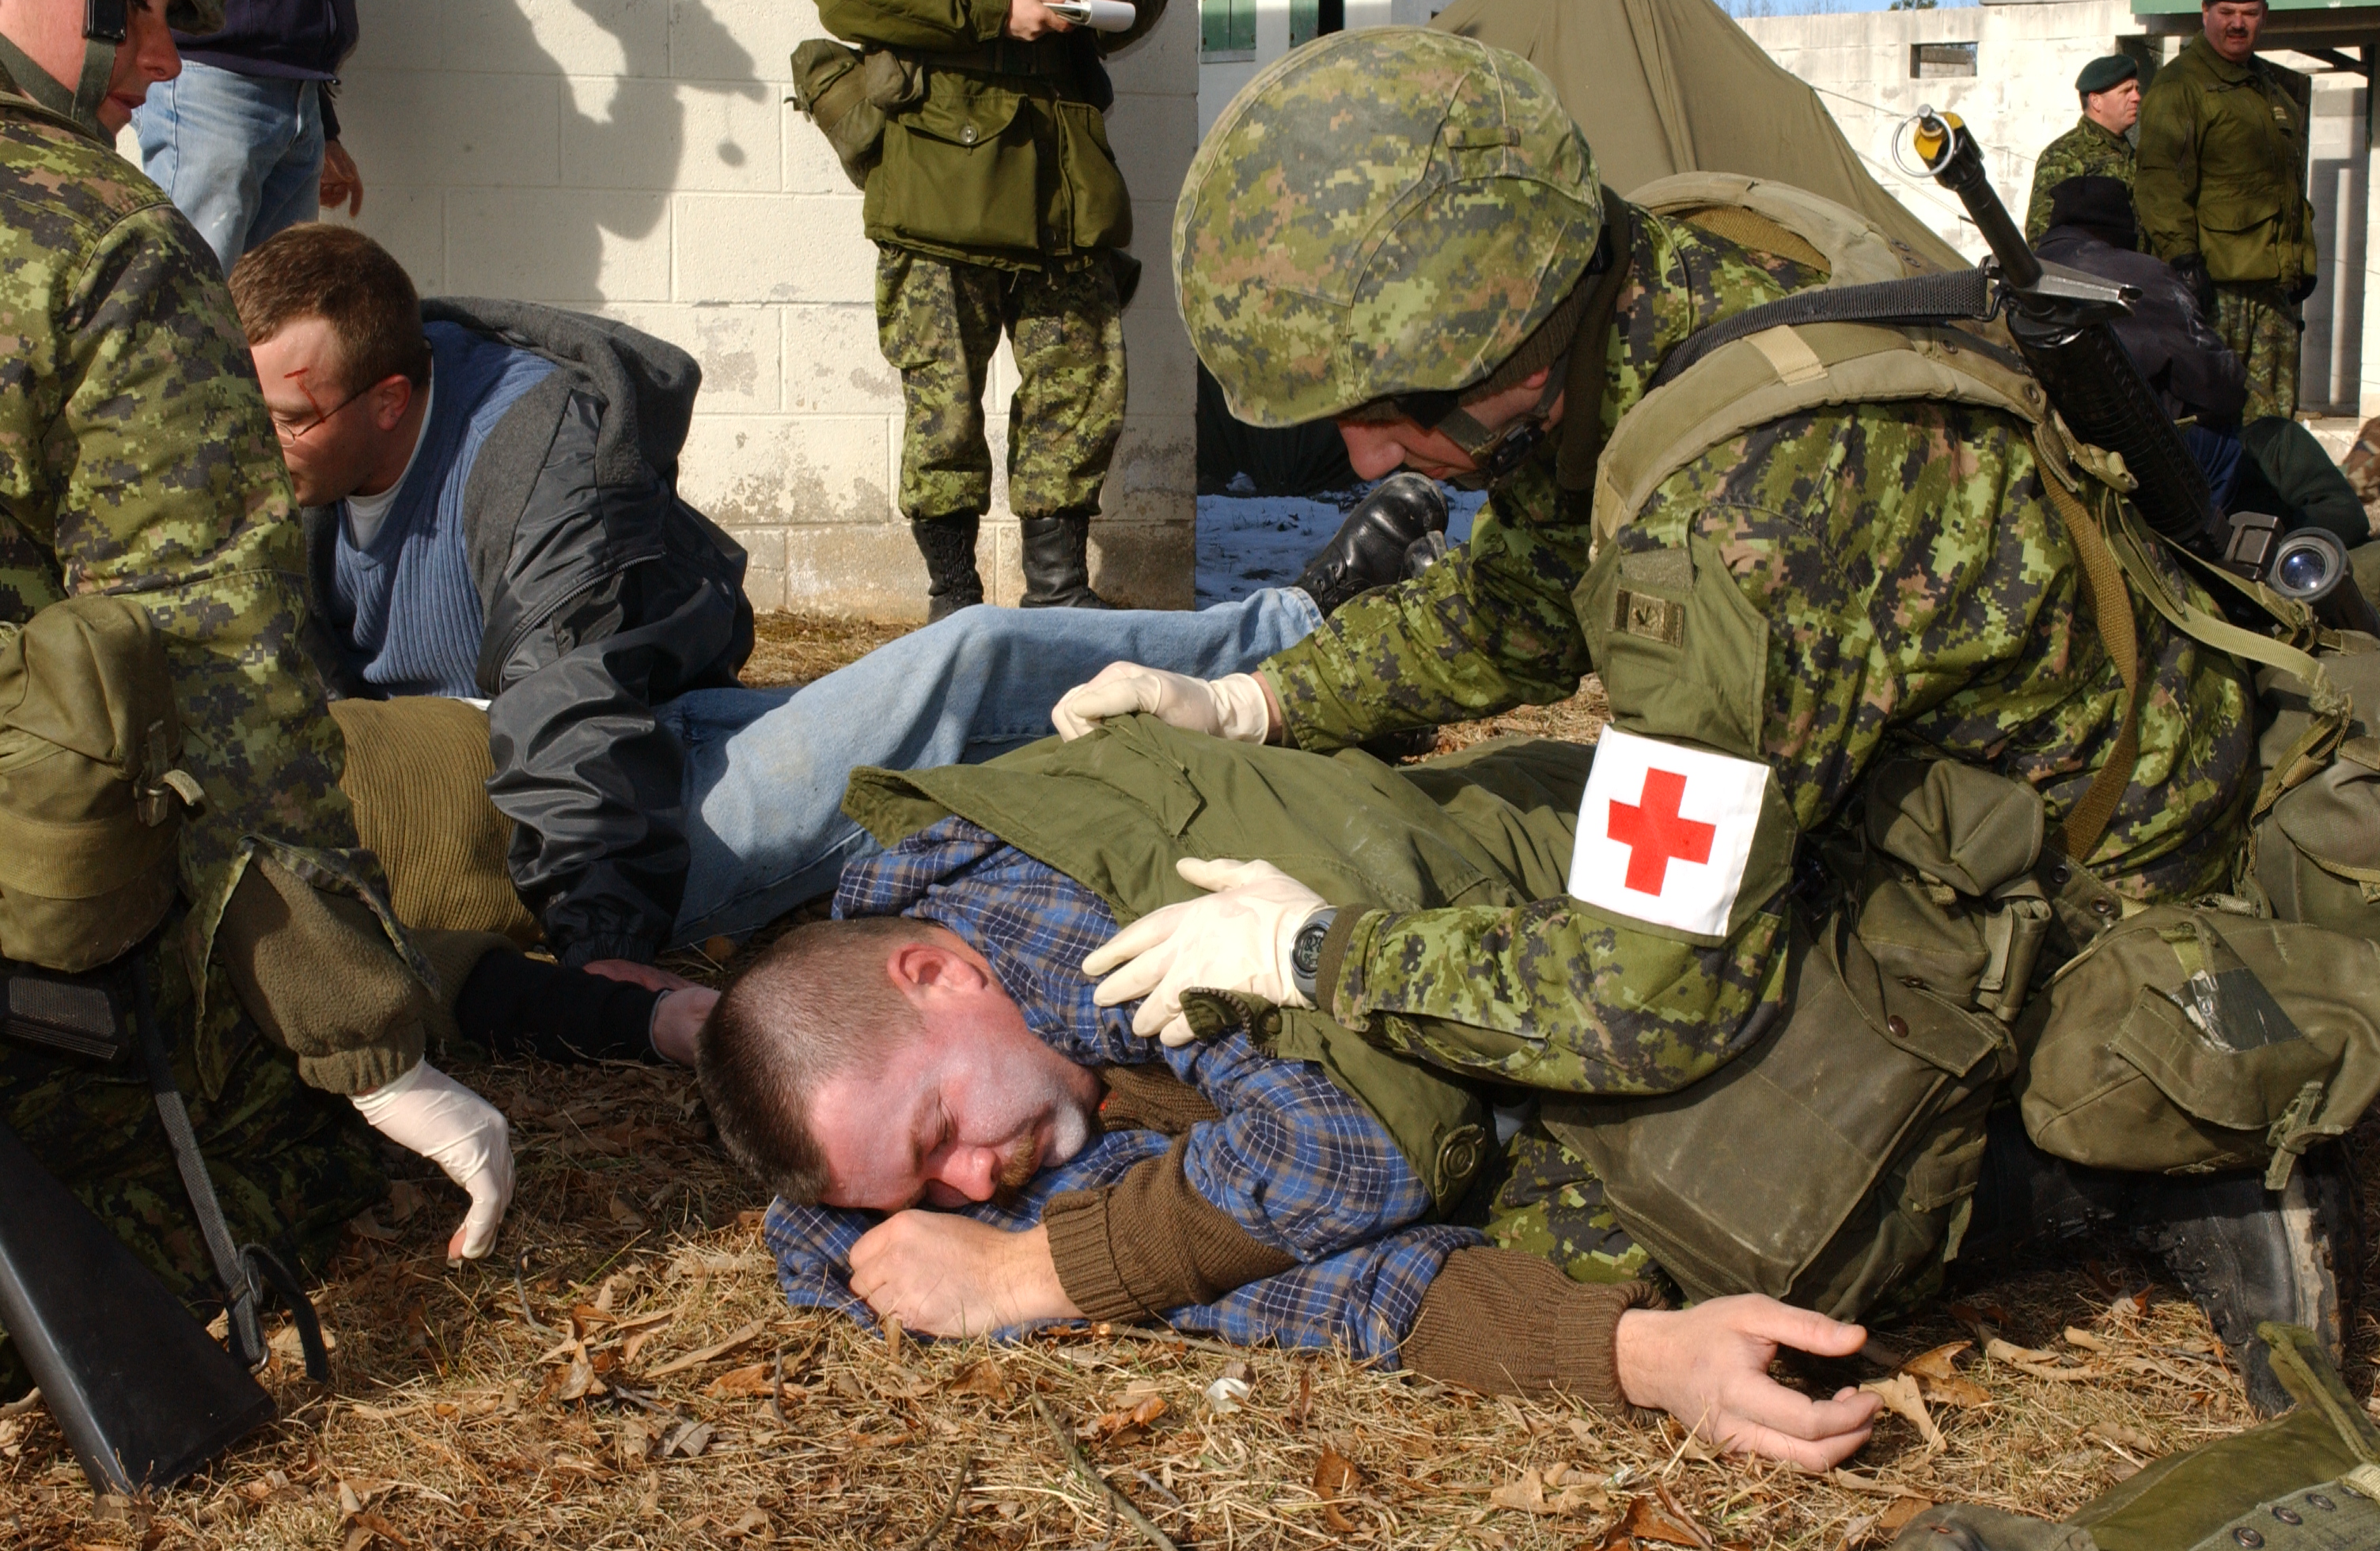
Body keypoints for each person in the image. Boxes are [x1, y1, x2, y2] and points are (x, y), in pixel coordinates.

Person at [1056, 28, 2351, 1413]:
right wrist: (1256, 698)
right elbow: (1526, 595)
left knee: (1577, 1223)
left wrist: (1312, 953)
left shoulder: (1731, 532)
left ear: (1513, 331)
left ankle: (2136, 1164)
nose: (1369, 458)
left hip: (2071, 874)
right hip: (1965, 758)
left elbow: (1642, 1000)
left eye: (1396, 410)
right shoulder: (1660, 280)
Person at [229, 222, 1444, 970]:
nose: (255, 441)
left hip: (595, 804)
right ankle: (1301, 661)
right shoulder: (277, 476)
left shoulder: (525, 451)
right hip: (530, 826)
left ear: (390, 400)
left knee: (969, 666)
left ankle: (1296, 644)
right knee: (969, 698)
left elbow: (566, 684)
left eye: (287, 416)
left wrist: (599, 929)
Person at [702, 724, 1889, 1469]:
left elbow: (1350, 1159)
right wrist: (1633, 1355)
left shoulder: (1047, 922)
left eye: (938, 1131)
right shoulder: (990, 1075)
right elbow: (1251, 1261)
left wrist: (1027, 1274)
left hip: (1723, 890)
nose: (970, 1179)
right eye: (922, 1185)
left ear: (937, 975)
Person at [0, 0, 525, 1393]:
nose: (166, 58)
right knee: (285, 1132)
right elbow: (214, 667)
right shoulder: (91, 237)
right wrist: (364, 1044)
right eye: (147, 11)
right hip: (64, 923)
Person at [815, 0, 1163, 618]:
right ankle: (955, 600)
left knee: (1080, 389)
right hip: (939, 177)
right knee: (943, 406)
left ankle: (1058, 591)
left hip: (1063, 176)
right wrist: (997, 13)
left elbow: (1135, 13)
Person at [2040, 176, 2371, 549]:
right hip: (2167, 487)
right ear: (2119, 231)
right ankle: (2302, 548)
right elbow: (2221, 385)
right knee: (2279, 442)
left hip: (2060, 469)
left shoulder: (2006, 281)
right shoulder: (2140, 276)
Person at [2136, 0, 2316, 423]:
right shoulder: (2180, 85)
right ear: (2205, 12)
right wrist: (2183, 261)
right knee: (2214, 424)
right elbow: (2160, 182)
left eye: (2249, 13)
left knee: (2273, 430)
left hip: (2272, 297)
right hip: (2216, 293)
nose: (2238, 23)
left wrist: (2299, 258)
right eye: (2227, 11)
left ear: (2264, 15)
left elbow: (2284, 189)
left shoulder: (2269, 88)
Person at [129, 0, 360, 276]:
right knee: (189, 291)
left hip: (299, 87)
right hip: (211, 81)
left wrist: (323, 121)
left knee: (278, 298)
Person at [2023, 54, 2140, 243]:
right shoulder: (2064, 155)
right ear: (2096, 101)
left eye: (2136, 89)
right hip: (2091, 262)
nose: (2136, 97)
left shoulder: (2133, 155)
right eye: (2126, 91)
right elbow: (2042, 237)